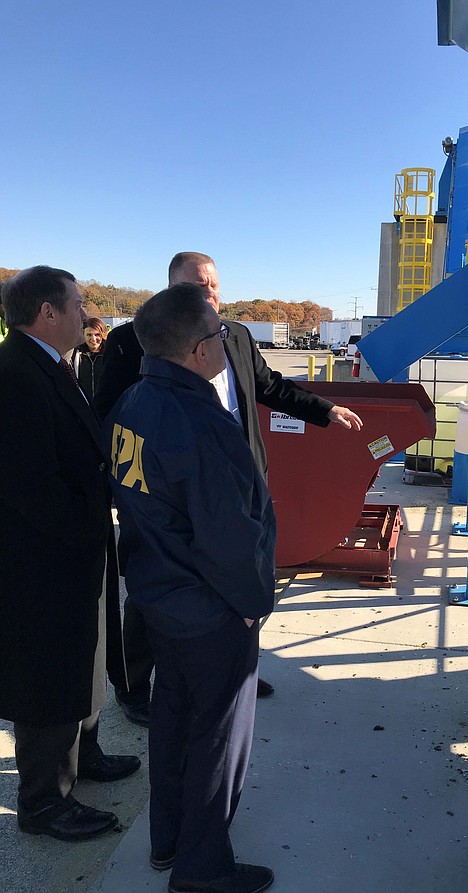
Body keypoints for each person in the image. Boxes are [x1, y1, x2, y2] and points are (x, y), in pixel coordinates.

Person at [95, 251, 363, 725]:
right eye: (199, 287)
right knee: (158, 589)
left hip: (234, 478)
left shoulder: (234, 335)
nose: (210, 295)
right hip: (168, 491)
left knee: (243, 571)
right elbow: (113, 413)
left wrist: (324, 410)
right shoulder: (132, 339)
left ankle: (237, 664)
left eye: (214, 285)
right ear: (172, 289)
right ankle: (135, 684)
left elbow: (269, 386)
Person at [106, 284, 276, 893]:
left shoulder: (132, 402)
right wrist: (255, 604)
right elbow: (229, 536)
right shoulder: (203, 424)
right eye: (219, 336)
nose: (226, 347)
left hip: (157, 599)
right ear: (201, 351)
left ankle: (168, 840)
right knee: (218, 740)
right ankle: (202, 867)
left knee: (175, 722)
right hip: (209, 610)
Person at [0, 266, 140, 843]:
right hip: (45, 560)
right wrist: (84, 528)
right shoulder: (15, 374)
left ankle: (85, 755)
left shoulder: (50, 364)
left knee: (86, 656)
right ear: (47, 313)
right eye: (78, 305)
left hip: (75, 548)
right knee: (49, 672)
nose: (88, 314)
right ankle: (43, 801)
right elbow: (29, 483)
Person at [72, 316, 107, 401]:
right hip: (84, 405)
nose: (93, 339)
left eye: (97, 335)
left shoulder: (109, 354)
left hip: (105, 406)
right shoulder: (76, 354)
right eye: (89, 335)